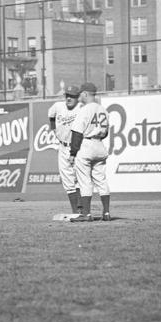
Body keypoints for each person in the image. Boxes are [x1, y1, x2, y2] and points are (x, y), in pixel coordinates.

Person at [68, 82, 111, 222]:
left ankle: (86, 214)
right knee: (101, 180)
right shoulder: (103, 110)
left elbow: (77, 133)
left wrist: (73, 153)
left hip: (86, 145)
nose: (79, 95)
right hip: (99, 144)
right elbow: (105, 133)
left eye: (80, 93)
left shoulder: (84, 110)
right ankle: (106, 213)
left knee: (84, 181)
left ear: (85, 94)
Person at [48, 85, 83, 215]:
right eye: (67, 95)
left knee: (80, 178)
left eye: (72, 96)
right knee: (67, 180)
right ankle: (75, 211)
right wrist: (54, 129)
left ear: (77, 97)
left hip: (78, 147)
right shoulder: (58, 106)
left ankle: (83, 210)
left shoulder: (81, 108)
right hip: (63, 147)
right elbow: (51, 115)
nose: (69, 98)